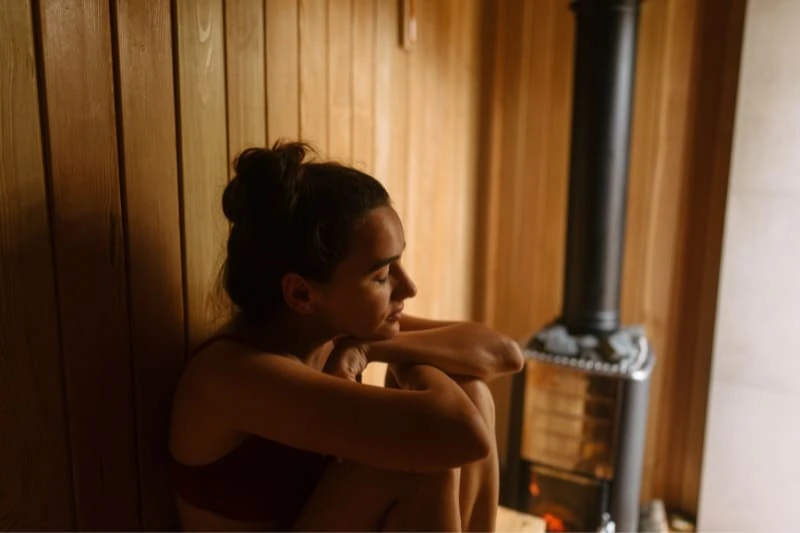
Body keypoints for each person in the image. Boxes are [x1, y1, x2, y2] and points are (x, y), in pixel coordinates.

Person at [168, 141, 525, 532]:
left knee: (471, 392)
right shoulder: (234, 376)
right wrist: (403, 360)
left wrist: (369, 348)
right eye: (382, 275)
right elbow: (464, 435)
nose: (407, 287)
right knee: (421, 461)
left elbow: (505, 353)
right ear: (302, 293)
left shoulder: (331, 331)